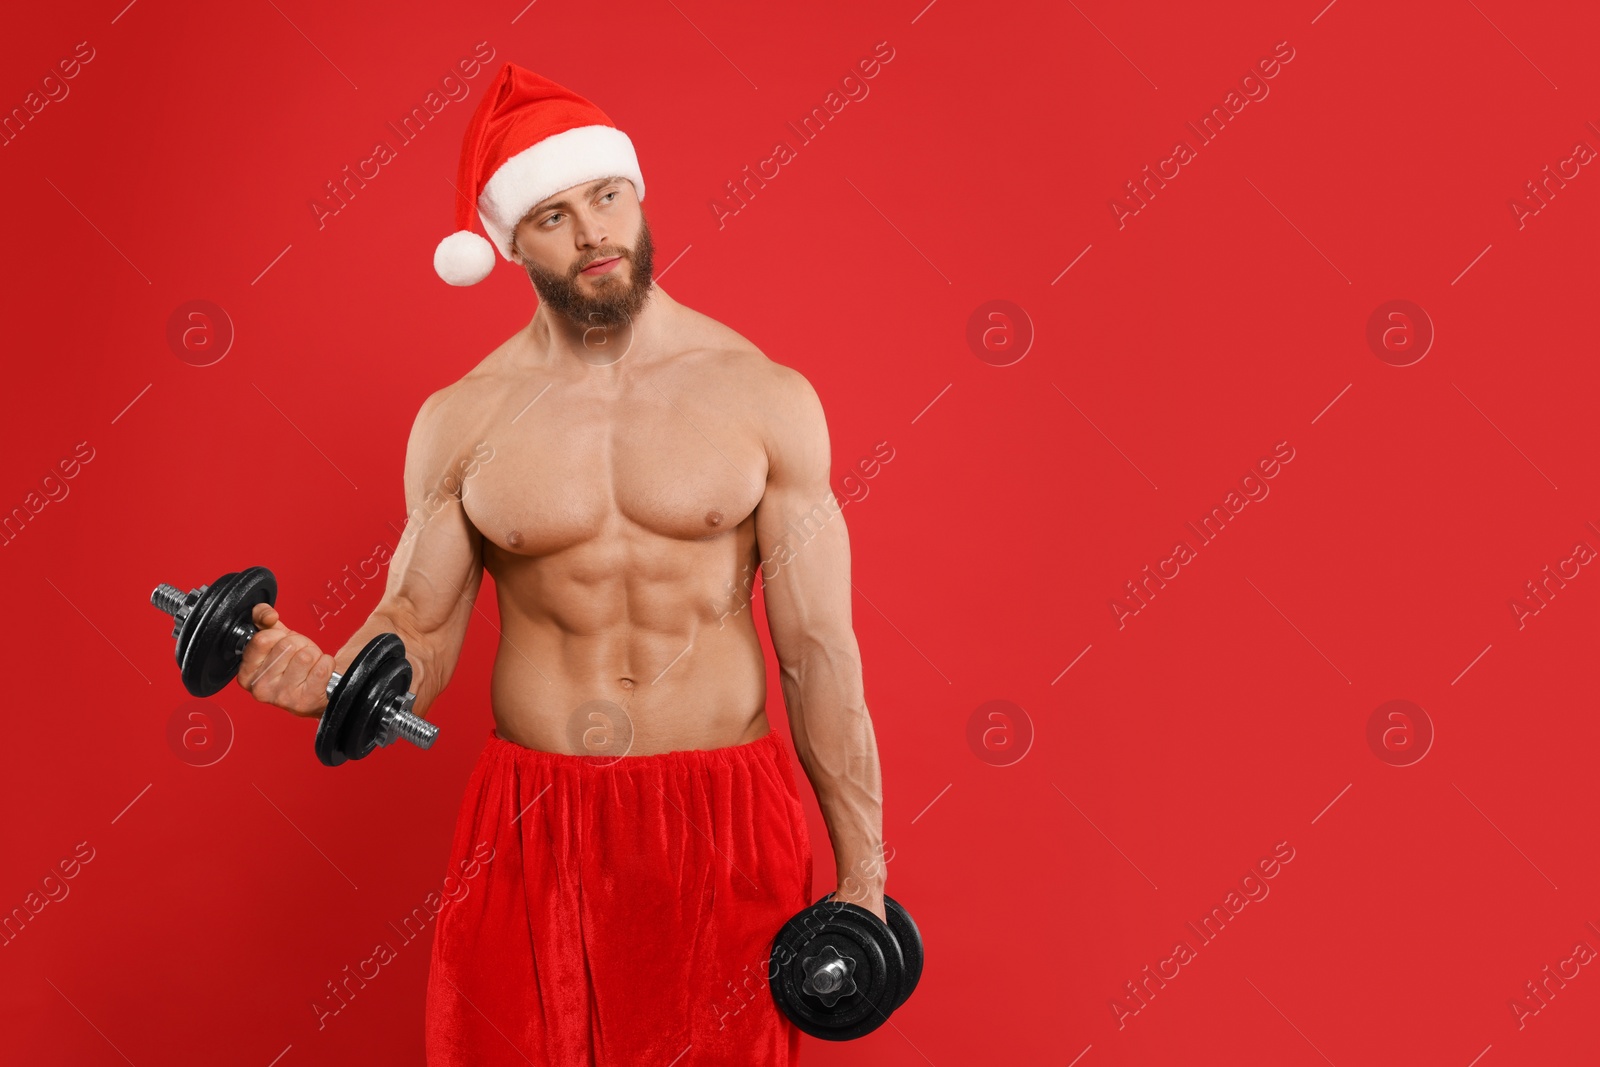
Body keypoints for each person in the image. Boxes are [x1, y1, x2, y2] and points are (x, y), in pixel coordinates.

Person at [235, 62, 887, 1066]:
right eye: (551, 213)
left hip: (724, 820)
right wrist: (331, 675)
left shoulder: (764, 398)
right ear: (507, 244)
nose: (591, 231)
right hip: (533, 821)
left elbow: (818, 653)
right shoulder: (462, 420)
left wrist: (863, 874)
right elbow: (416, 619)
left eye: (606, 194)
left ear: (637, 195)